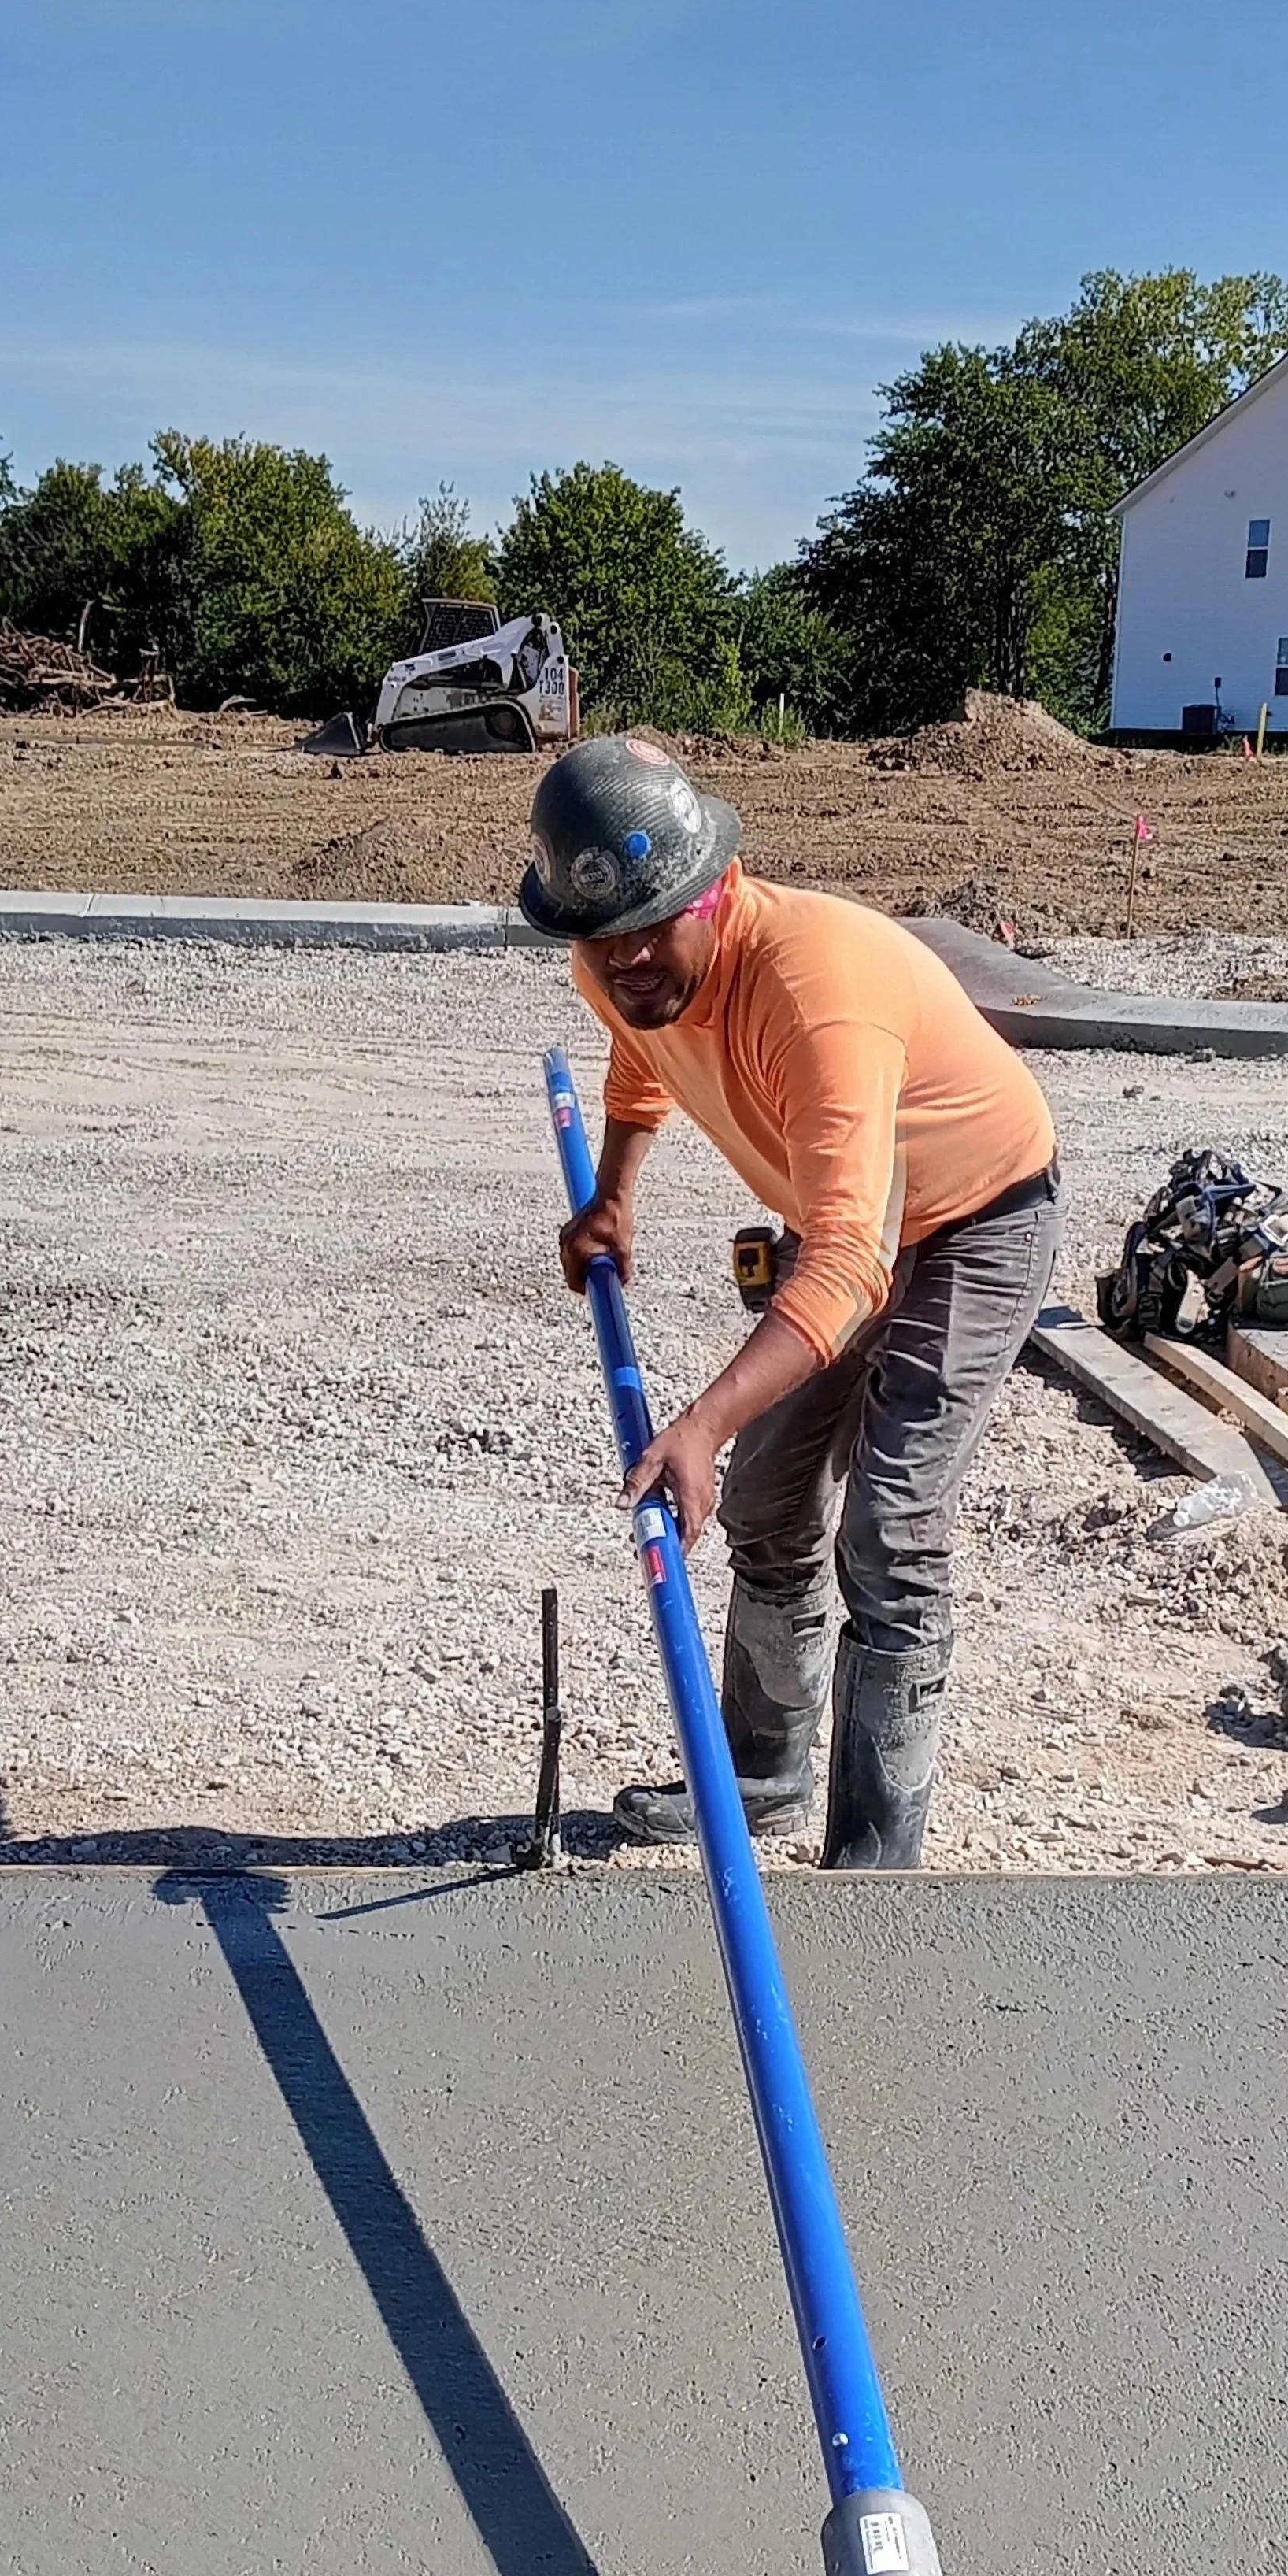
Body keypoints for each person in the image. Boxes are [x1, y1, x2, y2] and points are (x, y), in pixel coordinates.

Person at [524, 735, 1061, 1869]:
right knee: (767, 1498)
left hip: (977, 1214)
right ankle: (763, 1780)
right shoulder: (618, 962)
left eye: (651, 931)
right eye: (601, 942)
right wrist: (613, 1197)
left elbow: (851, 1268)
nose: (625, 965)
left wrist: (703, 1425)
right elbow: (638, 1056)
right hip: (852, 1222)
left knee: (893, 1521)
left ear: (715, 887)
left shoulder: (819, 993)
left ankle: (874, 1857)